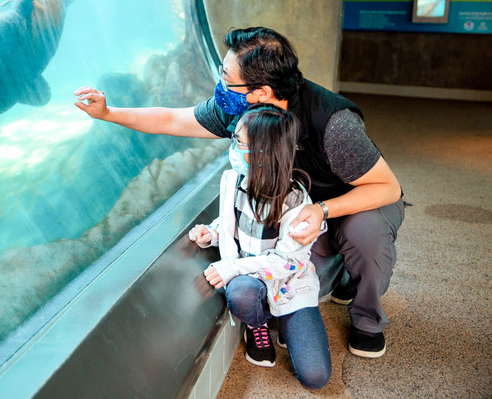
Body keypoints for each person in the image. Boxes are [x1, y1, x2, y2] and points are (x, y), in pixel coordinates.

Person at [74, 26, 404, 359]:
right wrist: (108, 113)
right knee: (299, 285)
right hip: (293, 209)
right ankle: (345, 270)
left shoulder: (333, 123)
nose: (220, 85)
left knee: (365, 237)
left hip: (355, 201)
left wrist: (322, 209)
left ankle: (368, 320)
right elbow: (174, 120)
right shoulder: (240, 109)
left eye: (227, 77)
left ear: (261, 91)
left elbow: (387, 187)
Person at [188, 104, 330, 387]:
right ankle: (258, 323)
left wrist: (231, 267)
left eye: (239, 142)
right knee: (240, 293)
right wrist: (212, 233)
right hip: (253, 281)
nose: (233, 147)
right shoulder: (233, 179)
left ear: (264, 152)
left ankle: (286, 322)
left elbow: (286, 262)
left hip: (289, 285)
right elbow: (235, 223)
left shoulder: (296, 201)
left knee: (316, 377)